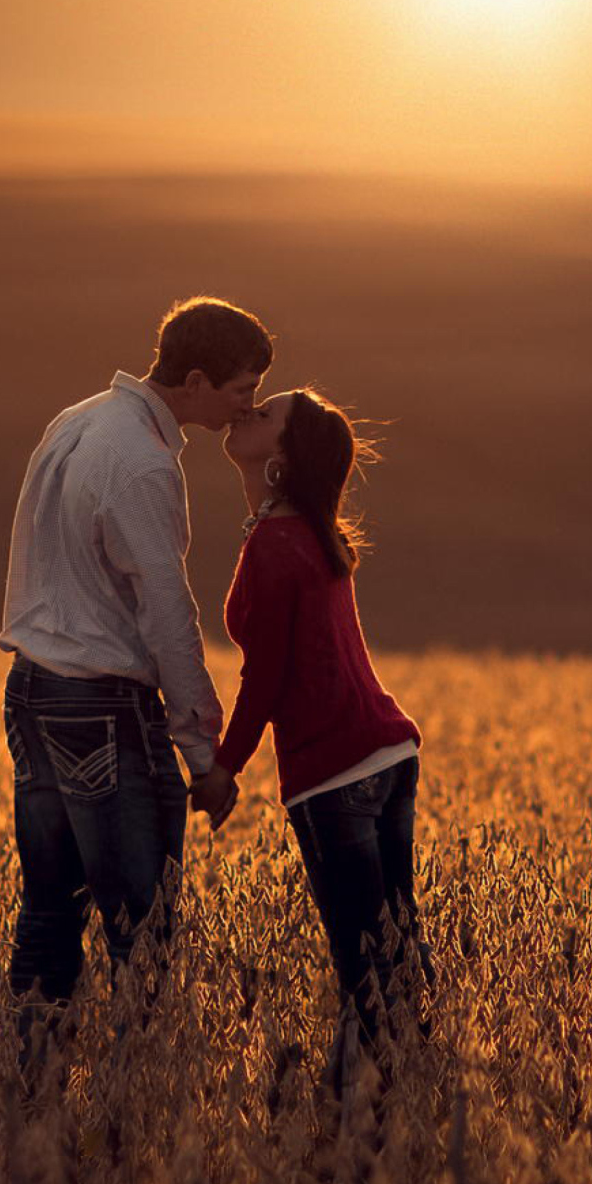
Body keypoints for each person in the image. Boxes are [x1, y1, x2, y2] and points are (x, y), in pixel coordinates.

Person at [0, 297, 268, 1067]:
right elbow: (167, 616)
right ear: (194, 380)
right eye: (241, 387)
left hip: (32, 691)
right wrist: (203, 755)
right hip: (103, 704)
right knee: (142, 932)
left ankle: (30, 1092)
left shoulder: (78, 420)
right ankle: (137, 1105)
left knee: (49, 913)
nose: (247, 403)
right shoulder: (145, 463)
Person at [214, 387, 430, 1091]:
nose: (247, 413)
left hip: (335, 773)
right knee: (397, 951)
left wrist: (224, 770)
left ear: (282, 456)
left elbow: (267, 678)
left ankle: (355, 1124)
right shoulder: (308, 531)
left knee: (363, 970)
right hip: (388, 753)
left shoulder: (278, 543)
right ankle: (414, 1094)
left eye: (265, 413)